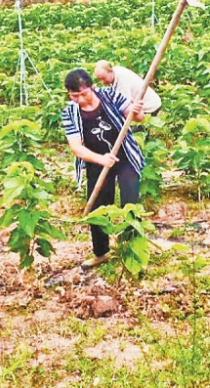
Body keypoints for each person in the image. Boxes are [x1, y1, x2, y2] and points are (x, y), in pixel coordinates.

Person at [61, 69, 146, 269]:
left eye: (84, 93)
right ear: (69, 94)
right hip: (97, 160)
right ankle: (101, 252)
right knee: (98, 207)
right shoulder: (70, 112)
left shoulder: (109, 95)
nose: (81, 99)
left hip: (124, 155)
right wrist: (101, 159)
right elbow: (76, 147)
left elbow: (136, 116)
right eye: (75, 96)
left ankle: (132, 248)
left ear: (92, 87)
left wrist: (137, 110)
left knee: (130, 201)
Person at [93, 60, 163, 116]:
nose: (102, 82)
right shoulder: (116, 72)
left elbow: (125, 107)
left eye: (104, 78)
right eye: (99, 79)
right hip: (141, 106)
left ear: (110, 71)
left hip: (150, 107)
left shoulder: (122, 83)